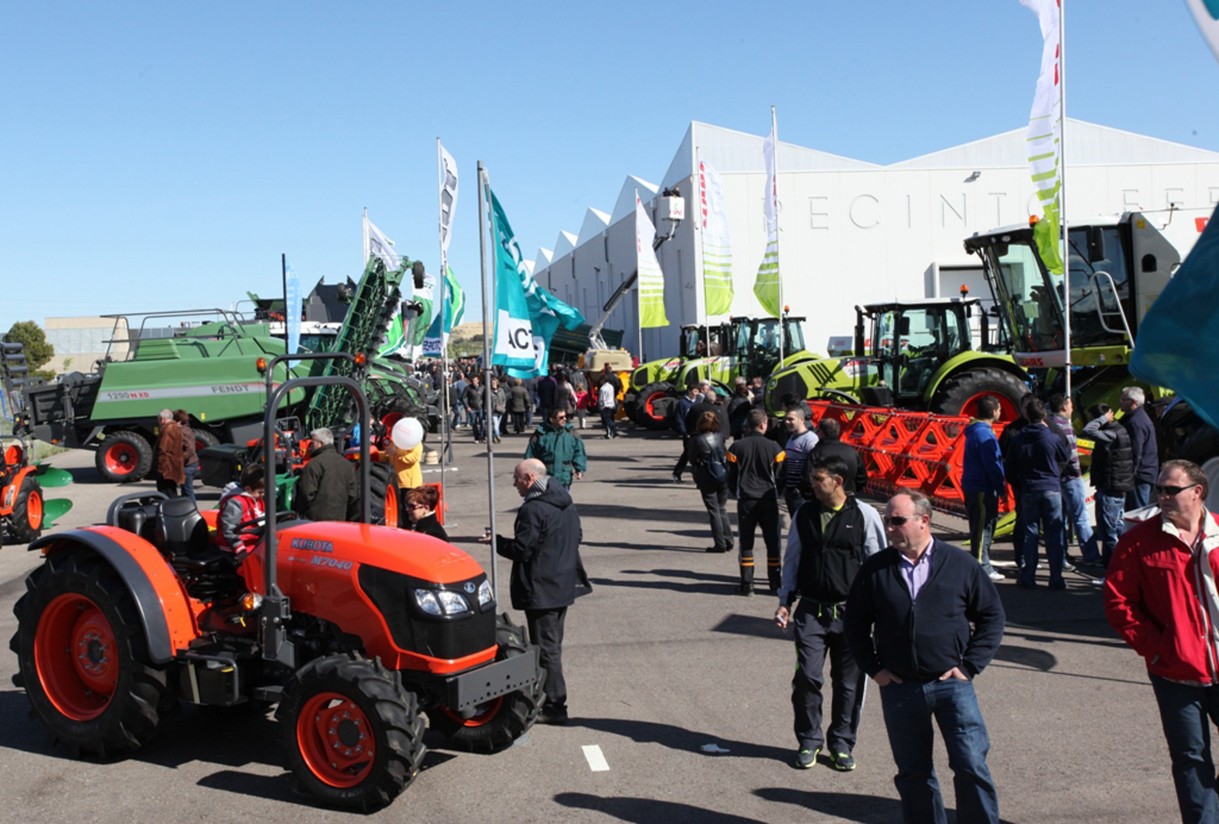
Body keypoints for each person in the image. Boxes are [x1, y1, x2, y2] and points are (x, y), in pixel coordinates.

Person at [845, 490, 1005, 824]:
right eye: (887, 520)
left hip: (952, 686)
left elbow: (991, 616)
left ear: (924, 521)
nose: (889, 527)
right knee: (914, 772)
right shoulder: (876, 569)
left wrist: (969, 666)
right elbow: (855, 624)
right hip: (900, 688)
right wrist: (875, 669)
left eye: (897, 520)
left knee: (970, 764)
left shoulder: (959, 563)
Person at [1104, 460, 1219, 824]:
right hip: (1175, 671)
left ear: (1197, 492)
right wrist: (1156, 648)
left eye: (1171, 490)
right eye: (1160, 490)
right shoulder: (1139, 540)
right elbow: (1118, 602)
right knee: (1191, 758)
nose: (1163, 496)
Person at [775, 454, 885, 772]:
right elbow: (792, 559)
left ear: (837, 481)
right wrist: (785, 601)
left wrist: (880, 609)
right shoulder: (804, 514)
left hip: (852, 614)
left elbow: (876, 563)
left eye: (817, 479)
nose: (812, 484)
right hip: (810, 611)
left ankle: (841, 743)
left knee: (848, 683)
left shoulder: (864, 515)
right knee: (807, 677)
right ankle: (809, 741)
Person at [487, 458, 584, 726]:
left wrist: (496, 542)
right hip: (562, 584)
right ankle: (547, 697)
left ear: (529, 479)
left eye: (517, 479)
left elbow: (523, 549)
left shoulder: (533, 509)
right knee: (552, 646)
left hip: (541, 588)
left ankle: (554, 705)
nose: (514, 484)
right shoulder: (564, 501)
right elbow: (577, 537)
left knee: (546, 648)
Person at [1009, 398, 1071, 590]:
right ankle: (1056, 578)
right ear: (1044, 415)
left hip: (1029, 489)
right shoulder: (1052, 437)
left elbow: (1010, 467)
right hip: (1051, 488)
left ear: (1027, 415)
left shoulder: (1018, 438)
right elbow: (1066, 456)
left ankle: (1028, 576)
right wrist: (1055, 473)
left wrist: (1020, 484)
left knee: (1030, 534)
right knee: (1054, 534)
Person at [727, 409, 786, 595]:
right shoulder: (775, 447)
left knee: (746, 542)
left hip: (746, 500)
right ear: (763, 424)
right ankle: (775, 584)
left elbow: (731, 476)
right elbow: (780, 475)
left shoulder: (736, 447)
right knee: (772, 542)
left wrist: (735, 491)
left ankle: (747, 584)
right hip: (768, 500)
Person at [1048, 393, 1100, 566]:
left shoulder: (1049, 424)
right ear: (1063, 407)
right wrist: (1077, 473)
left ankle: (1062, 554)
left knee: (1060, 517)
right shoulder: (1066, 427)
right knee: (1080, 516)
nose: (1072, 408)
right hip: (1070, 477)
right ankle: (1091, 555)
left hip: (1056, 478)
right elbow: (1071, 455)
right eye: (1070, 405)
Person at [1082, 403, 1135, 571]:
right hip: (1118, 485)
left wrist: (1102, 418)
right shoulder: (1120, 430)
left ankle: (1111, 570)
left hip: (1110, 486)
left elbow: (1088, 430)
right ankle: (1124, 567)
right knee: (1118, 528)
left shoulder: (1111, 433)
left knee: (1109, 532)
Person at [961, 396, 1007, 582]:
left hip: (975, 484)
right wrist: (1000, 486)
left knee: (981, 526)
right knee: (982, 527)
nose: (1001, 412)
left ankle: (983, 562)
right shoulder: (985, 435)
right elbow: (992, 465)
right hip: (982, 486)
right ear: (993, 411)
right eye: (999, 409)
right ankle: (981, 567)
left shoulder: (976, 432)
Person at [687, 410, 733, 553]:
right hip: (723, 474)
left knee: (713, 510)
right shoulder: (721, 437)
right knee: (722, 508)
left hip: (707, 476)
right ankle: (729, 539)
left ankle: (720, 543)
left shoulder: (697, 440)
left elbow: (692, 458)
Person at [294, 427, 357, 521]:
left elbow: (306, 494)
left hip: (315, 523)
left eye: (313, 442)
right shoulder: (347, 465)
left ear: (321, 443)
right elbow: (352, 495)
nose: (310, 446)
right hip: (340, 520)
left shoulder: (314, 464)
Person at [525, 408, 587, 489]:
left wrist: (580, 469)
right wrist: (530, 473)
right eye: (561, 417)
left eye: (565, 417)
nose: (564, 419)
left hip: (564, 477)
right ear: (552, 419)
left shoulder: (572, 434)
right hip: (544, 478)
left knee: (562, 501)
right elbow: (530, 455)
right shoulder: (540, 435)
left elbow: (579, 453)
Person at [1120, 386, 1159, 510]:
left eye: (1123, 399)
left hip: (1140, 474)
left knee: (1138, 512)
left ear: (1133, 402)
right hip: (1145, 471)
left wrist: (1130, 473)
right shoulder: (1137, 418)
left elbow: (1136, 450)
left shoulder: (1136, 422)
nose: (1120, 401)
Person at [806, 417, 867, 495]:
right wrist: (852, 490)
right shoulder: (852, 451)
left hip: (823, 498)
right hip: (848, 496)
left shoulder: (816, 452)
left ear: (821, 433)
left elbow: (807, 477)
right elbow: (862, 477)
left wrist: (811, 495)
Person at [215, 463, 266, 554]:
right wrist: (240, 549)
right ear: (248, 489)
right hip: (236, 547)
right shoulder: (235, 503)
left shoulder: (257, 500)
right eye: (260, 492)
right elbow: (229, 530)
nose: (262, 495)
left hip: (254, 542)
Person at [781, 404, 819, 517]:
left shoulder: (810, 439)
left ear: (801, 419)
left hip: (800, 493)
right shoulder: (791, 438)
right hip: (790, 491)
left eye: (791, 419)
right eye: (786, 419)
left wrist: (802, 487)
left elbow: (813, 465)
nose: (787, 422)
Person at [671, 382, 702, 483]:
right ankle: (677, 473)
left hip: (696, 432)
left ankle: (697, 475)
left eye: (698, 391)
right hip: (688, 433)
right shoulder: (683, 403)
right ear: (689, 391)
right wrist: (684, 432)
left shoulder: (697, 403)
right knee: (688, 454)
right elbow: (679, 419)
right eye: (695, 391)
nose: (696, 393)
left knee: (694, 455)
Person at [155, 408, 185, 498]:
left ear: (162, 418)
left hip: (167, 468)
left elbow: (163, 450)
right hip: (174, 466)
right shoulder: (176, 427)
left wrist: (161, 469)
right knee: (171, 490)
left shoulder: (168, 429)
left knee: (166, 493)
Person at [174, 409, 199, 507]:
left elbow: (190, 450)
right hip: (191, 464)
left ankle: (193, 510)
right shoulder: (187, 429)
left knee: (187, 492)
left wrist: (179, 459)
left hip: (188, 466)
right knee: (186, 491)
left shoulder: (183, 431)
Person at [388, 435, 423, 502]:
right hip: (397, 482)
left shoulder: (415, 442)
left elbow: (415, 457)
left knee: (410, 505)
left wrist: (398, 454)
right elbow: (388, 456)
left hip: (410, 483)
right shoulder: (394, 443)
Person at [463, 374, 486, 442]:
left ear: (478, 380)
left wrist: (485, 407)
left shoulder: (482, 388)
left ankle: (482, 436)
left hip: (481, 407)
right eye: (473, 381)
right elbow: (464, 397)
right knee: (474, 423)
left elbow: (485, 398)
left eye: (475, 380)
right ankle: (477, 437)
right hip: (472, 408)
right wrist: (467, 406)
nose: (474, 382)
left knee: (482, 422)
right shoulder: (468, 388)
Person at [489, 376, 507, 443]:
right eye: (492, 382)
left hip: (500, 410)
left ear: (497, 383)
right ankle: (498, 435)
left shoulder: (501, 390)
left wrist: (503, 406)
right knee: (496, 424)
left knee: (497, 425)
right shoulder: (489, 391)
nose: (493, 384)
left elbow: (504, 399)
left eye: (494, 382)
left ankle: (494, 437)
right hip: (493, 410)